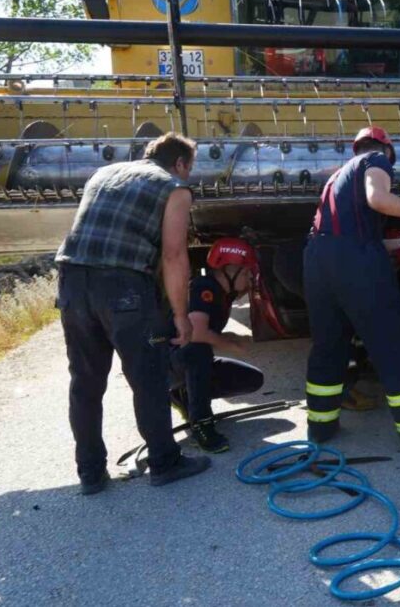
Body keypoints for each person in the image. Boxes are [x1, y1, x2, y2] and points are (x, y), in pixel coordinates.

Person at [55, 132, 210, 495]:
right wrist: (180, 315)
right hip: (123, 286)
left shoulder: (103, 174)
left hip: (72, 281)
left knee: (86, 382)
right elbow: (174, 256)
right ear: (181, 163)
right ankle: (165, 462)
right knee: (148, 376)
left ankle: (90, 474)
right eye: (190, 168)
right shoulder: (175, 187)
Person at [302, 126, 400, 452]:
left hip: (318, 259)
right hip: (353, 262)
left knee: (329, 345)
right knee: (392, 343)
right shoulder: (375, 161)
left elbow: (351, 236)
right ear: (387, 151)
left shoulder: (338, 177)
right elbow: (378, 198)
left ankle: (320, 428)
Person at [169, 237, 265, 453]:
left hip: (181, 364)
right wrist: (230, 344)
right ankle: (201, 424)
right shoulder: (204, 287)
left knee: (252, 379)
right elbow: (196, 332)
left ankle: (182, 394)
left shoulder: (222, 294)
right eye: (247, 273)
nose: (250, 279)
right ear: (231, 270)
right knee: (198, 350)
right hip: (164, 366)